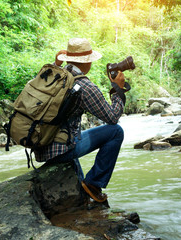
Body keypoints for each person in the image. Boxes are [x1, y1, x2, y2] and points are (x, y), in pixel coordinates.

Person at [34, 38, 127, 203]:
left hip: (40, 147)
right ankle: (94, 183)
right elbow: (112, 118)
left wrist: (56, 63)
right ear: (88, 62)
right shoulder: (85, 86)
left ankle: (82, 191)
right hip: (62, 150)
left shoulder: (51, 75)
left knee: (71, 133)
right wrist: (117, 89)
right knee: (116, 132)